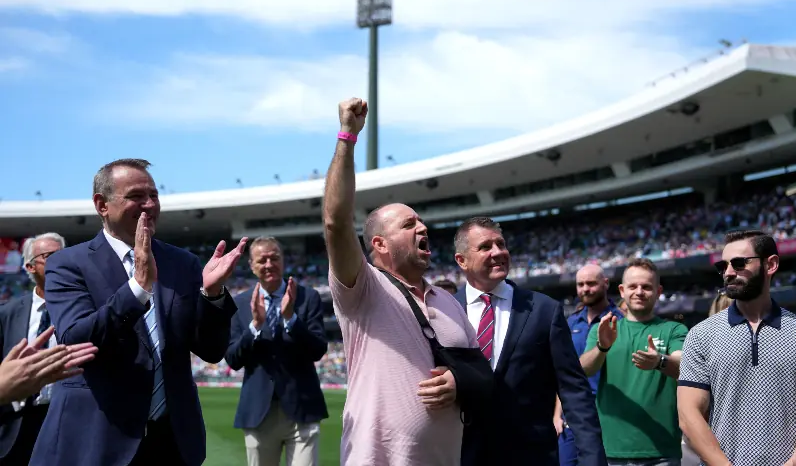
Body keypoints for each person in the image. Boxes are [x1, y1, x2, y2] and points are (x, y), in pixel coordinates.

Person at [29, 158, 248, 466]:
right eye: (135, 196)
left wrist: (212, 295)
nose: (149, 204)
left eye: (154, 196)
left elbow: (211, 350)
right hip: (99, 437)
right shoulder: (67, 264)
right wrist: (137, 289)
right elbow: (76, 341)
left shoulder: (182, 263)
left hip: (172, 441)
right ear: (102, 204)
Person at [323, 98, 478, 466]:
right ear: (379, 244)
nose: (422, 227)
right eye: (409, 225)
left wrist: (459, 382)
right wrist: (347, 137)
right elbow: (336, 221)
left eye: (421, 221)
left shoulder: (448, 301)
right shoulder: (363, 288)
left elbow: (479, 372)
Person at [452, 217, 606, 466]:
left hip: (531, 456)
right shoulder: (445, 311)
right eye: (485, 247)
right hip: (462, 455)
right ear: (462, 261)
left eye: (500, 244)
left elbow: (573, 390)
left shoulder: (544, 310)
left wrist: (592, 459)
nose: (498, 252)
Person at [679, 230, 796, 465]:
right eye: (723, 266)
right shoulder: (702, 334)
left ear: (771, 264)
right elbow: (688, 414)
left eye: (739, 263)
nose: (728, 272)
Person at [225, 236, 328, 466]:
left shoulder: (306, 297)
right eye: (262, 260)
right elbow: (233, 358)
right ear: (251, 266)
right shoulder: (240, 304)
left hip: (302, 406)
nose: (269, 264)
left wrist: (291, 318)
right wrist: (255, 327)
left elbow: (318, 349)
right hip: (258, 411)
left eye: (274, 258)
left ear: (283, 261)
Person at [580, 258, 688, 466]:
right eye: (633, 286)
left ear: (658, 291)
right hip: (612, 450)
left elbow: (684, 365)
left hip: (661, 451)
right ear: (622, 291)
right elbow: (583, 369)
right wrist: (602, 347)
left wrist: (659, 361)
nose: (639, 292)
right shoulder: (604, 329)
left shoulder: (674, 329)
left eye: (646, 287)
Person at [0, 232, 84, 465]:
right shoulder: (8, 313)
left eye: (63, 255)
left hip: (69, 424)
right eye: (49, 256)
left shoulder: (87, 307)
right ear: (30, 267)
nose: (61, 261)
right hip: (17, 425)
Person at [556, 264, 623, 466]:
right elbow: (562, 372)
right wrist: (556, 415)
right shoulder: (570, 323)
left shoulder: (620, 320)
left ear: (605, 284)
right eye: (580, 284)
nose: (585, 289)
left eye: (591, 283)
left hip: (607, 415)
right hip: (571, 416)